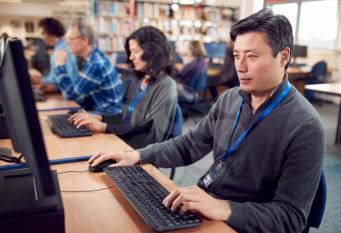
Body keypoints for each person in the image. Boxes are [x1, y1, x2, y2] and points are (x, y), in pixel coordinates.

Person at [88, 9, 325, 232]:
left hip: (238, 222)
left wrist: (224, 208)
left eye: (251, 56)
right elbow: (189, 145)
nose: (240, 67)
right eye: (236, 55)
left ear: (283, 56)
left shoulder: (305, 126)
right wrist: (137, 155)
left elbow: (291, 218)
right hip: (206, 207)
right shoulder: (231, 99)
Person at [69, 26, 177, 149]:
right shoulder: (138, 80)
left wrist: (104, 127)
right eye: (130, 52)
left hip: (138, 151)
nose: (131, 57)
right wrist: (98, 117)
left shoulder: (166, 86)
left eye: (136, 51)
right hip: (122, 142)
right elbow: (125, 118)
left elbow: (151, 134)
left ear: (152, 52)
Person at [54, 19, 123, 115]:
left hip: (108, 115)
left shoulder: (95, 64)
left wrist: (59, 65)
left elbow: (70, 94)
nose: (68, 43)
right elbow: (78, 90)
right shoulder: (91, 58)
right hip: (98, 108)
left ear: (85, 40)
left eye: (71, 39)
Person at [33, 17, 78, 94]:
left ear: (50, 32)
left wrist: (55, 88)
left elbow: (71, 80)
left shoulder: (63, 50)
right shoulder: (57, 49)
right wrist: (41, 80)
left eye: (43, 33)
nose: (42, 37)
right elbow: (54, 77)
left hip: (66, 95)